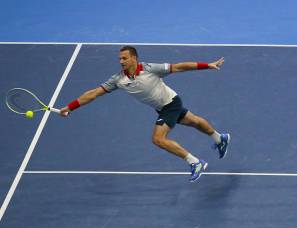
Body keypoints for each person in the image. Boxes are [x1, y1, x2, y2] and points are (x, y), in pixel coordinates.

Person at [59, 45, 230, 182]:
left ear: (134, 58)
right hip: (163, 106)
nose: (121, 61)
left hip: (170, 104)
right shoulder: (118, 79)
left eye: (124, 58)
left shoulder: (150, 68)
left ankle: (195, 162)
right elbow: (94, 93)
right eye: (119, 58)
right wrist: (70, 106)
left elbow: (178, 67)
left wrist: (207, 65)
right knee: (193, 121)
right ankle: (220, 138)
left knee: (158, 139)